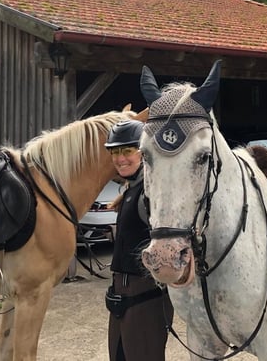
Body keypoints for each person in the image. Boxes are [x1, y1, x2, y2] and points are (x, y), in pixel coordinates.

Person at [105, 120, 173, 361]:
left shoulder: (153, 191)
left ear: (143, 152)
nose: (119, 158)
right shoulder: (133, 187)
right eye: (114, 151)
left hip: (145, 296)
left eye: (126, 151)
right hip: (122, 294)